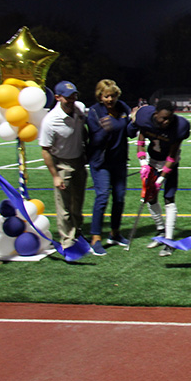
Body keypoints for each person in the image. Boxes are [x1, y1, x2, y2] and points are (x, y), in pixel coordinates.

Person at [127, 100, 191, 256]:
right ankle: (160, 230)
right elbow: (140, 142)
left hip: (170, 163)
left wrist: (160, 180)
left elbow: (172, 156)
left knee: (169, 198)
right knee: (150, 198)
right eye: (163, 118)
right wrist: (143, 163)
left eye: (169, 118)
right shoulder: (144, 120)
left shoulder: (178, 127)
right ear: (155, 115)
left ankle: (169, 241)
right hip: (153, 161)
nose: (166, 122)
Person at [86, 79, 132, 255]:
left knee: (119, 198)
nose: (110, 99)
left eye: (113, 95)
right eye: (106, 96)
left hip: (119, 161)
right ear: (100, 96)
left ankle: (115, 233)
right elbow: (94, 140)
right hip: (101, 162)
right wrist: (106, 130)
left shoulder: (123, 108)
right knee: (103, 196)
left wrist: (134, 121)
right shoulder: (95, 112)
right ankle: (96, 237)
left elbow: (130, 132)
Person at [39, 80, 87, 248]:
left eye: (74, 95)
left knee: (77, 203)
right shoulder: (50, 121)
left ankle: (78, 231)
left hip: (80, 162)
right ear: (58, 97)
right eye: (68, 97)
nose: (72, 99)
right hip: (62, 164)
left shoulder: (79, 108)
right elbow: (45, 149)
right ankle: (67, 241)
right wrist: (54, 176)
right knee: (64, 207)